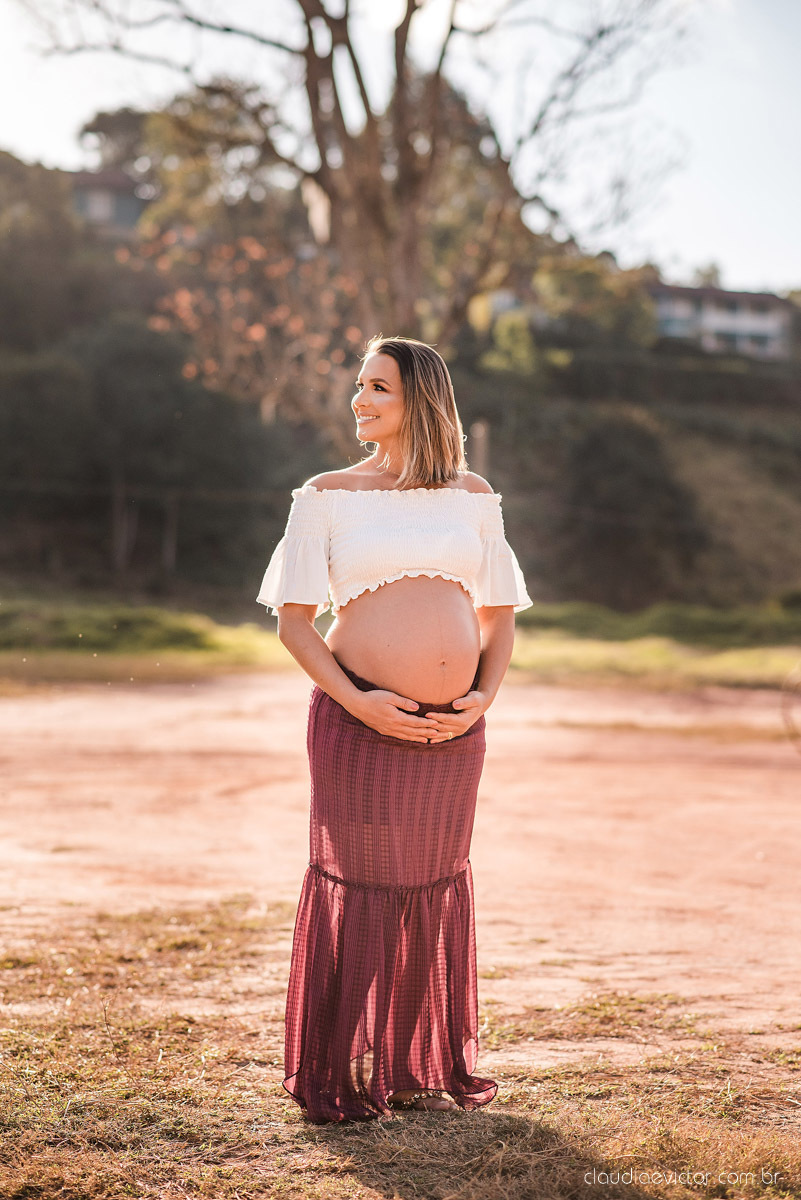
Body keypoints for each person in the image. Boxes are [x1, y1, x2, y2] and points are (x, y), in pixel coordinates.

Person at [256, 334, 532, 1123]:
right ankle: (338, 1073)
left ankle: (412, 1067)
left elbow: (498, 617)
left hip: (456, 731)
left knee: (427, 892)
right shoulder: (324, 494)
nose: (359, 400)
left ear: (421, 398)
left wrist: (483, 696)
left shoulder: (473, 494)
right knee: (362, 888)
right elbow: (296, 627)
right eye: (359, 386)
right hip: (358, 723)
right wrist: (359, 702)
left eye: (377, 387)